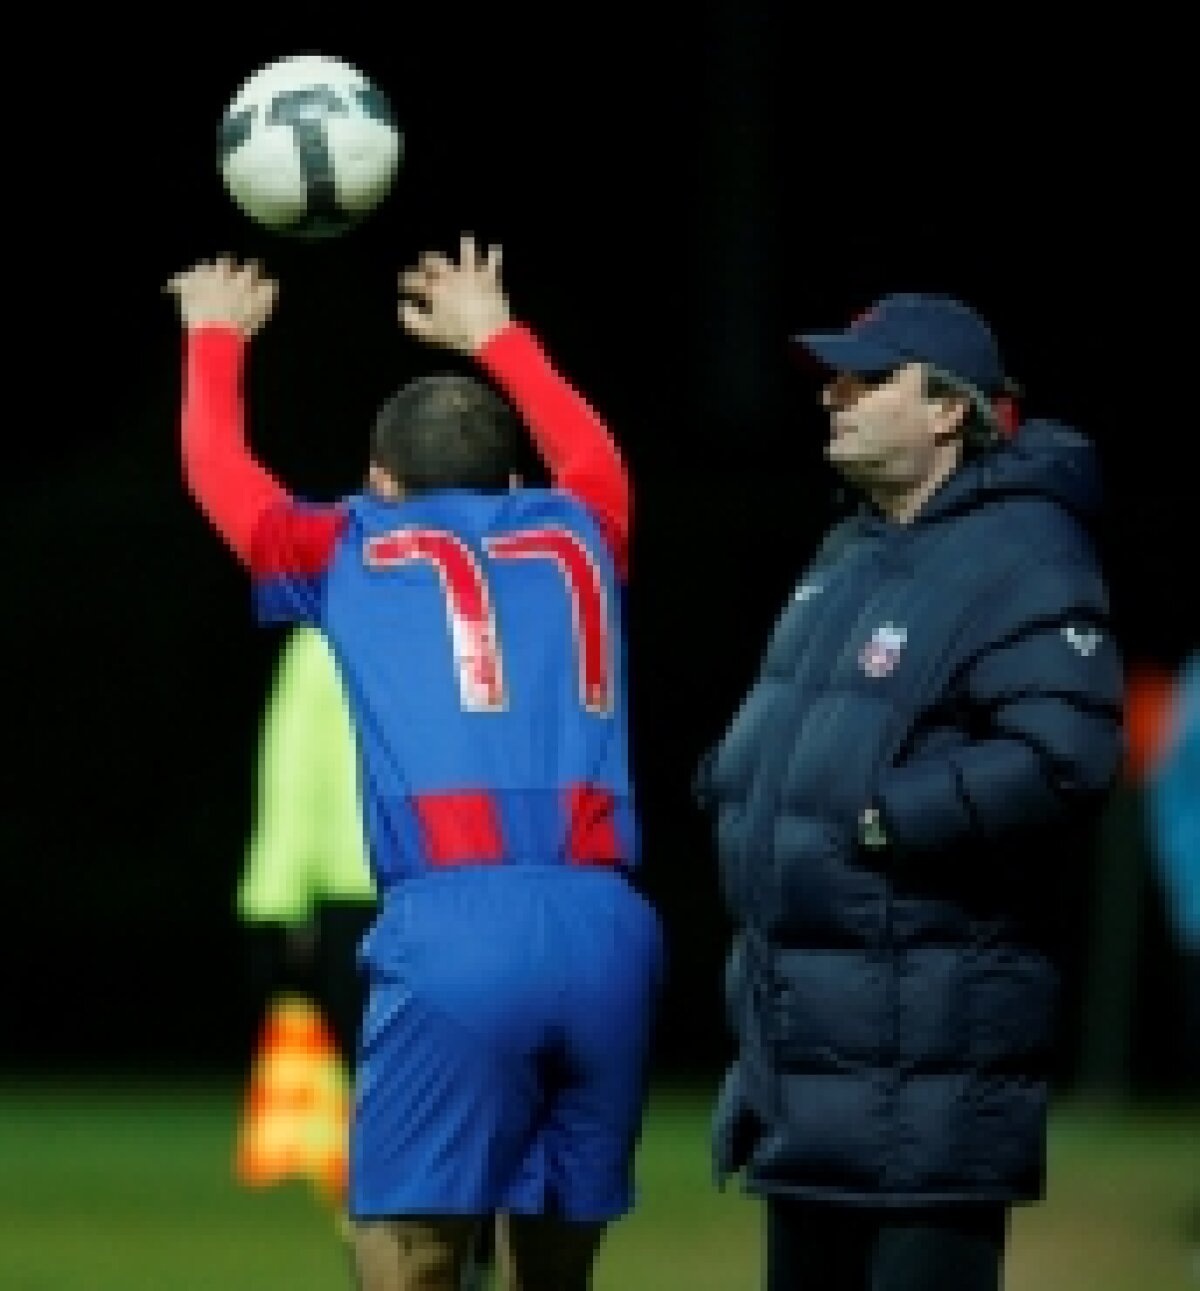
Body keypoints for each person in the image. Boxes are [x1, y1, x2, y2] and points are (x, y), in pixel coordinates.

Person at [166, 237, 664, 1291]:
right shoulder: (582, 526)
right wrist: (497, 333)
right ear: (516, 479)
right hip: (608, 925)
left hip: (454, 925)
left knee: (402, 1253)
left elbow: (225, 481)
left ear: (381, 482)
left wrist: (213, 339)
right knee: (558, 1273)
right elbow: (597, 455)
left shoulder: (356, 543)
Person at [692, 293, 1124, 1291]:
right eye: (833, 378)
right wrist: (738, 784)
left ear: (947, 411)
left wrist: (886, 814)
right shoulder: (850, 551)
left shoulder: (1026, 551)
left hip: (927, 1081)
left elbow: (1064, 755)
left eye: (868, 377)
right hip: (808, 1075)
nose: (834, 396)